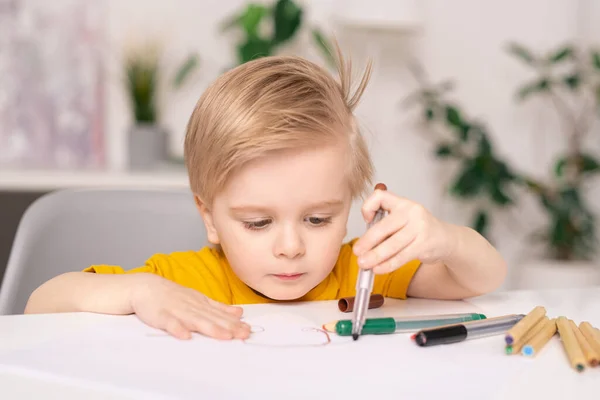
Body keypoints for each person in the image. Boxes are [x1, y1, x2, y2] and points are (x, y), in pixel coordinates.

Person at [24, 45, 507, 341]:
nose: (291, 246)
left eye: (318, 219)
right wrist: (137, 289)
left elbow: (483, 277)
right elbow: (40, 303)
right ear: (209, 217)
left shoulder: (360, 274)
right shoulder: (184, 281)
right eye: (257, 223)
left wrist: (445, 239)